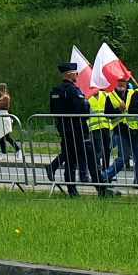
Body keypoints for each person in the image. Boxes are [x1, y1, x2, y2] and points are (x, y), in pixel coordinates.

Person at [46, 61, 93, 195]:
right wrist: (87, 106)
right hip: (76, 128)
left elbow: (53, 110)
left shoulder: (56, 90)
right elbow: (82, 109)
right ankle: (73, 189)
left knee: (70, 156)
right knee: (73, 159)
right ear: (69, 74)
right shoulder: (72, 90)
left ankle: (54, 168)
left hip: (63, 128)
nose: (77, 75)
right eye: (76, 73)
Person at [0, 82, 19, 161]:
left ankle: (18, 150)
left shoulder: (5, 97)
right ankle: (4, 153)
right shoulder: (0, 97)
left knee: (6, 136)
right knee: (1, 136)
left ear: (0, 89)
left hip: (4, 117)